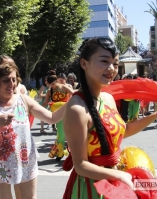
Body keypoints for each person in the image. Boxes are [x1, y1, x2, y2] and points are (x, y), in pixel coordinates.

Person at [63, 38, 157, 198]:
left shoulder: (108, 98)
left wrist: (155, 115)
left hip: (118, 177)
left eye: (115, 63)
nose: (112, 69)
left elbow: (123, 131)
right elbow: (80, 165)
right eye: (104, 61)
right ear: (84, 64)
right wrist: (119, 176)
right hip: (93, 187)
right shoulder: (76, 109)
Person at [0, 59, 66, 199]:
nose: (11, 84)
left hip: (25, 160)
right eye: (6, 80)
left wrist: (75, 99)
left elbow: (53, 118)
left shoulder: (23, 99)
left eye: (13, 79)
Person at [43, 70, 74, 160]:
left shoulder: (64, 87)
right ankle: (60, 153)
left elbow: (74, 94)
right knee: (61, 133)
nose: (52, 86)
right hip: (57, 115)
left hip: (68, 113)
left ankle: (66, 152)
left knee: (69, 133)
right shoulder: (50, 91)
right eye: (50, 85)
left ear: (56, 81)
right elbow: (45, 103)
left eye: (53, 84)